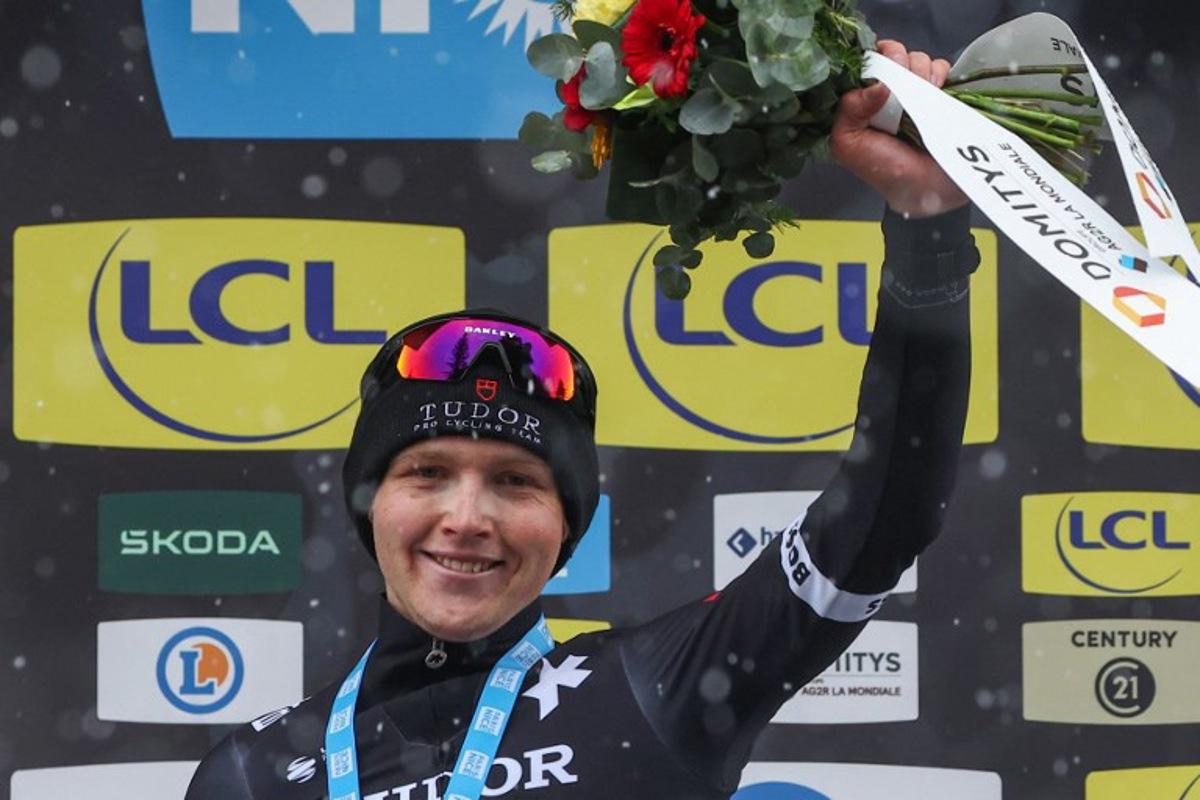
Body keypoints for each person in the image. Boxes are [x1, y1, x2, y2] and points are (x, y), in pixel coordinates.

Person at [185, 40, 978, 800]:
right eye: (427, 472)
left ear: (569, 523)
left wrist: (927, 228)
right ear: (369, 500)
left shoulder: (652, 692)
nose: (466, 518)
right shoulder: (253, 775)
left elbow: (886, 511)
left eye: (515, 482)